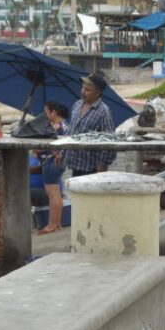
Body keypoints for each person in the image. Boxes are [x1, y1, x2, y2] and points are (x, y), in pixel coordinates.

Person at [63, 72, 116, 176]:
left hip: (92, 167)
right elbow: (71, 131)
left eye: (87, 90)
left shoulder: (103, 111)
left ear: (98, 93)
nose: (83, 92)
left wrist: (103, 164)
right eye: (83, 88)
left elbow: (110, 139)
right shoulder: (77, 105)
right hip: (75, 163)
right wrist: (62, 152)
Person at [38, 101, 69, 234]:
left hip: (51, 162)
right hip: (59, 163)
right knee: (56, 193)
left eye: (47, 112)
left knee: (53, 194)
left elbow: (44, 146)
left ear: (53, 112)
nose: (46, 115)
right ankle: (57, 223)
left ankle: (52, 224)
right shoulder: (65, 125)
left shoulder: (55, 127)